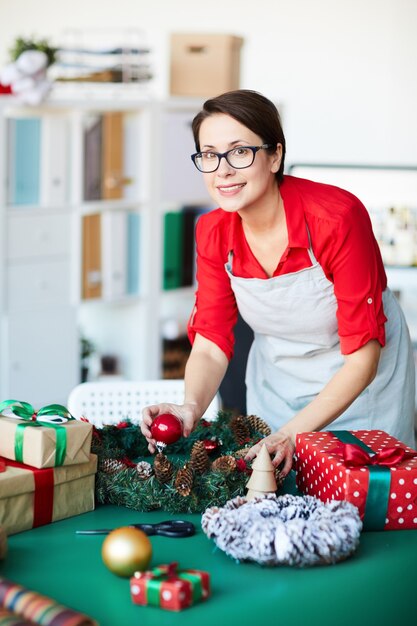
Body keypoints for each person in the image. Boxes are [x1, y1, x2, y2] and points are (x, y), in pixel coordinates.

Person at [141, 89, 416, 477]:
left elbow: (362, 358)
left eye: (239, 152)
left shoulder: (337, 218)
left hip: (360, 388)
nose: (222, 170)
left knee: (362, 500)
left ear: (275, 156)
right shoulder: (212, 231)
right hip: (279, 384)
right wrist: (190, 407)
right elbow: (211, 343)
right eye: (208, 154)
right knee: (276, 494)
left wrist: (292, 434)